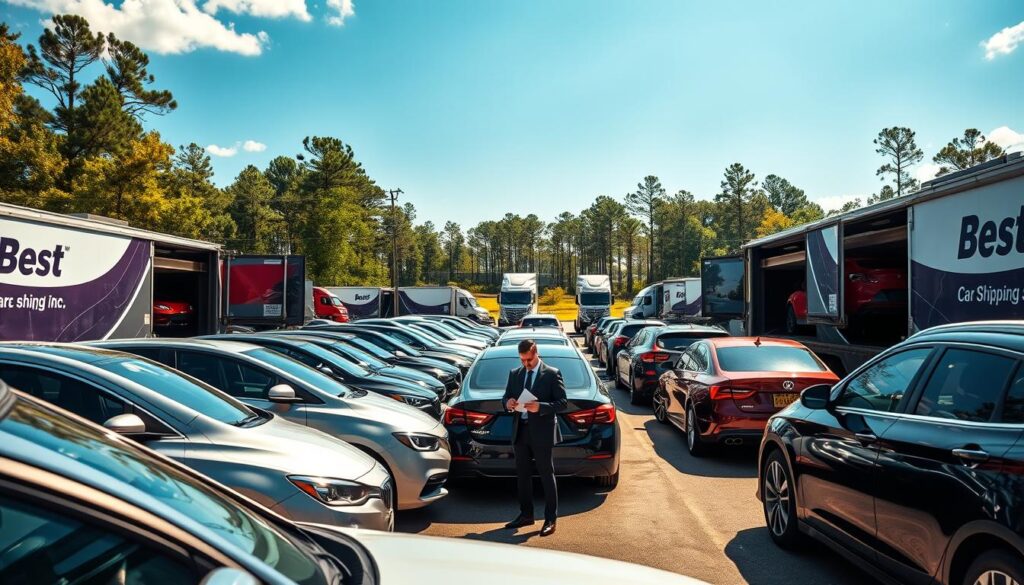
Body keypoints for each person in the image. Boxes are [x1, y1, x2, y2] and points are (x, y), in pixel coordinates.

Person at [502, 339, 567, 537]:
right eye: (522, 360)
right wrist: (508, 403)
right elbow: (505, 397)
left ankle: (550, 519)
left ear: (536, 353)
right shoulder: (515, 374)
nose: (526, 364)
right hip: (520, 431)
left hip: (542, 432)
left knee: (547, 475)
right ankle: (526, 515)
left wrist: (542, 407)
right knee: (522, 476)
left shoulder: (552, 373)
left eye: (529, 360)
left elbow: (563, 403)